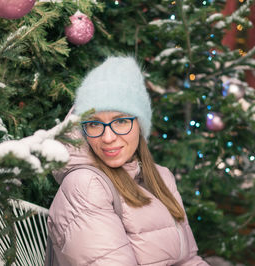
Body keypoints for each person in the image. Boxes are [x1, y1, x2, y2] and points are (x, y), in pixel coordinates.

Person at [46, 56, 209, 265]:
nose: (107, 138)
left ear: (140, 125)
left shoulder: (162, 178)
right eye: (94, 124)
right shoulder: (85, 185)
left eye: (121, 121)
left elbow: (188, 260)